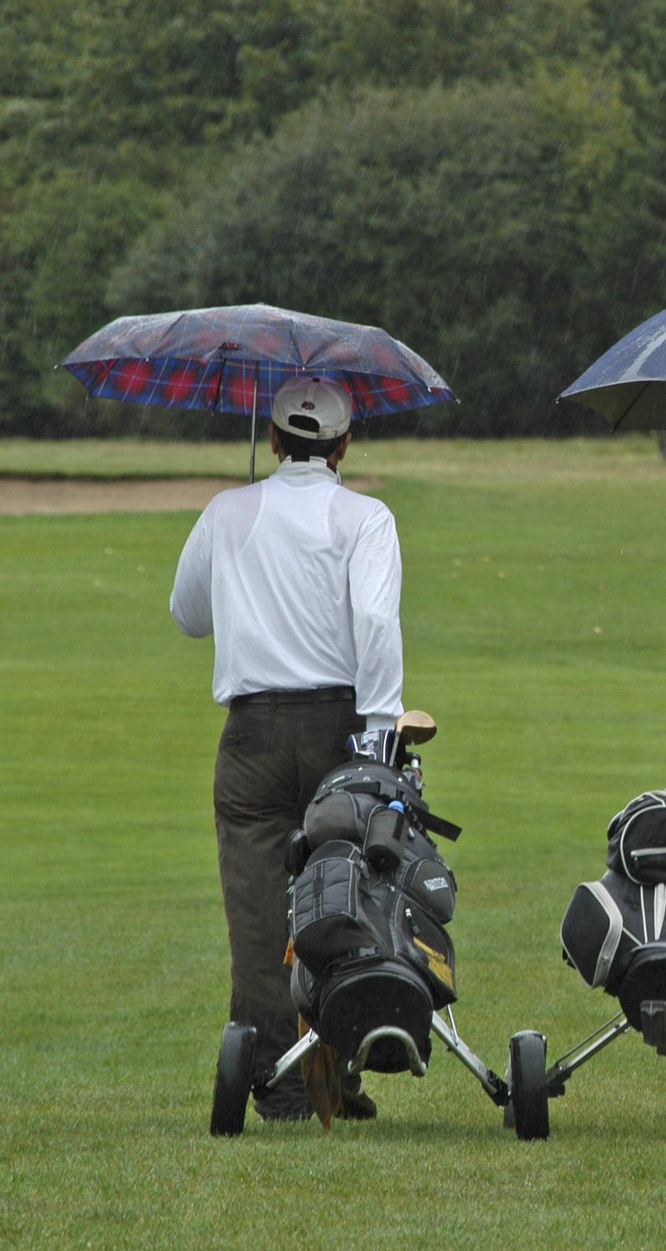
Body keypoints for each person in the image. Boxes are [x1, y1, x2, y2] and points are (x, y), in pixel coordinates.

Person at [171, 377, 402, 1123]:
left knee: (259, 918)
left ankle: (278, 1080)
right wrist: (381, 731)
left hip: (252, 735)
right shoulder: (367, 518)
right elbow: (375, 622)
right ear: (343, 445)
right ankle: (337, 1076)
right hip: (340, 730)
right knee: (345, 902)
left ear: (273, 441)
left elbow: (187, 615)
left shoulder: (227, 511)